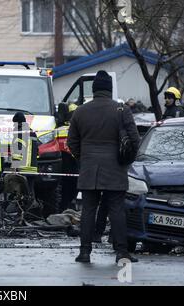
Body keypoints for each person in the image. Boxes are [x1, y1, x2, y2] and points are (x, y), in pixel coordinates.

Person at [68, 70, 140, 263]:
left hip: (89, 167)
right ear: (109, 89)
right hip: (115, 168)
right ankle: (121, 252)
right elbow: (135, 141)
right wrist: (126, 161)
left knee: (88, 210)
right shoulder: (121, 110)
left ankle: (85, 252)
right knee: (117, 209)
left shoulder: (80, 111)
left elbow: (71, 142)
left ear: (94, 89)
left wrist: (83, 159)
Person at [11, 112, 38, 198]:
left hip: (22, 168)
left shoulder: (19, 133)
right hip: (33, 167)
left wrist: (15, 167)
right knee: (30, 190)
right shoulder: (32, 132)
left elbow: (17, 151)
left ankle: (22, 210)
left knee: (21, 192)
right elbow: (37, 150)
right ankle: (32, 208)